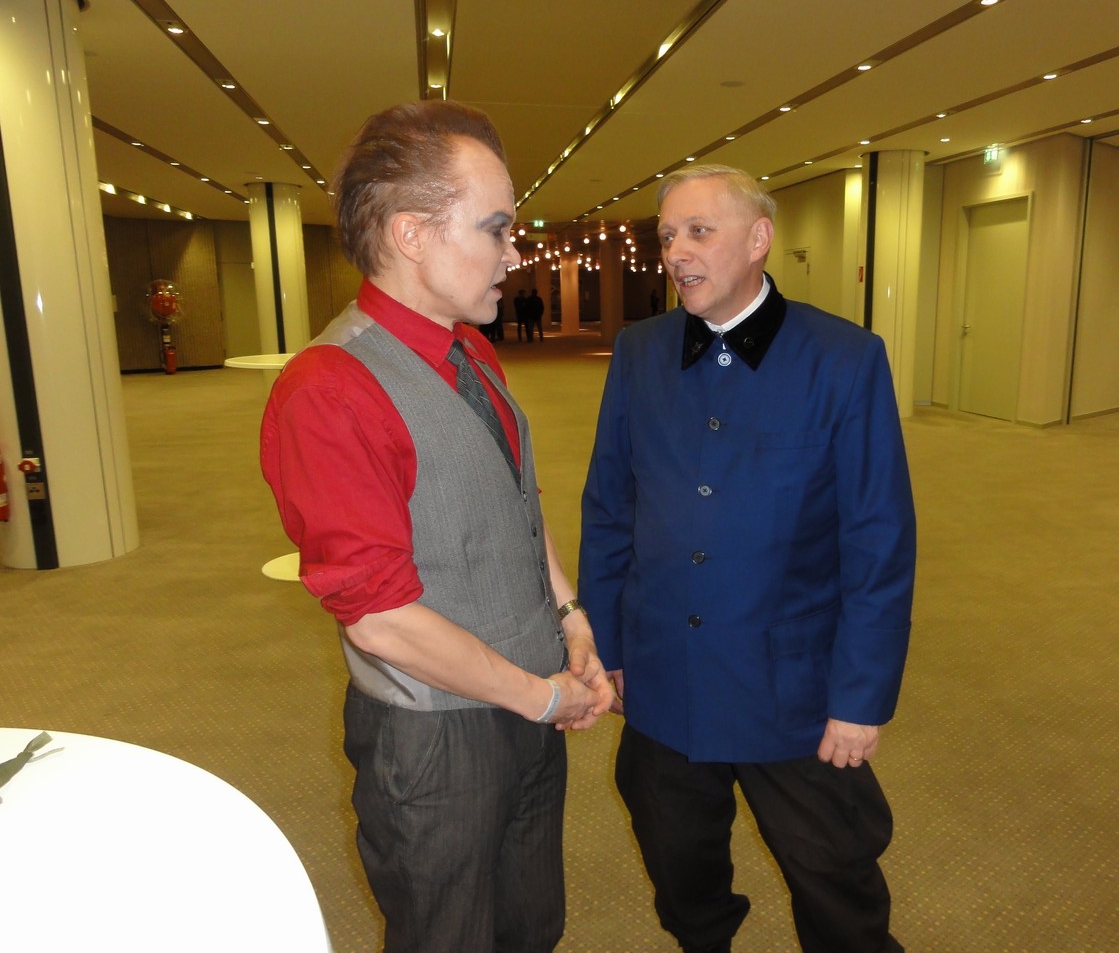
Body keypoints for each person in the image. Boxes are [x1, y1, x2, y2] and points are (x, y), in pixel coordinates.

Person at [260, 99, 612, 953]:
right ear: (412, 234)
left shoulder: (472, 349)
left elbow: (515, 501)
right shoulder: (328, 390)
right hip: (435, 739)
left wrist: (569, 615)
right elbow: (379, 618)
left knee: (532, 926)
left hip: (526, 700)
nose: (514, 253)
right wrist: (543, 697)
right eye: (496, 229)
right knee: (447, 937)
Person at [579, 164, 916, 953]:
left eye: (699, 231)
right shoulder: (640, 352)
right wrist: (609, 647)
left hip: (792, 689)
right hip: (665, 676)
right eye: (668, 235)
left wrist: (860, 697)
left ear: (759, 238)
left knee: (835, 877)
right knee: (680, 866)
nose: (676, 252)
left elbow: (878, 538)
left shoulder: (844, 358)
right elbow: (609, 509)